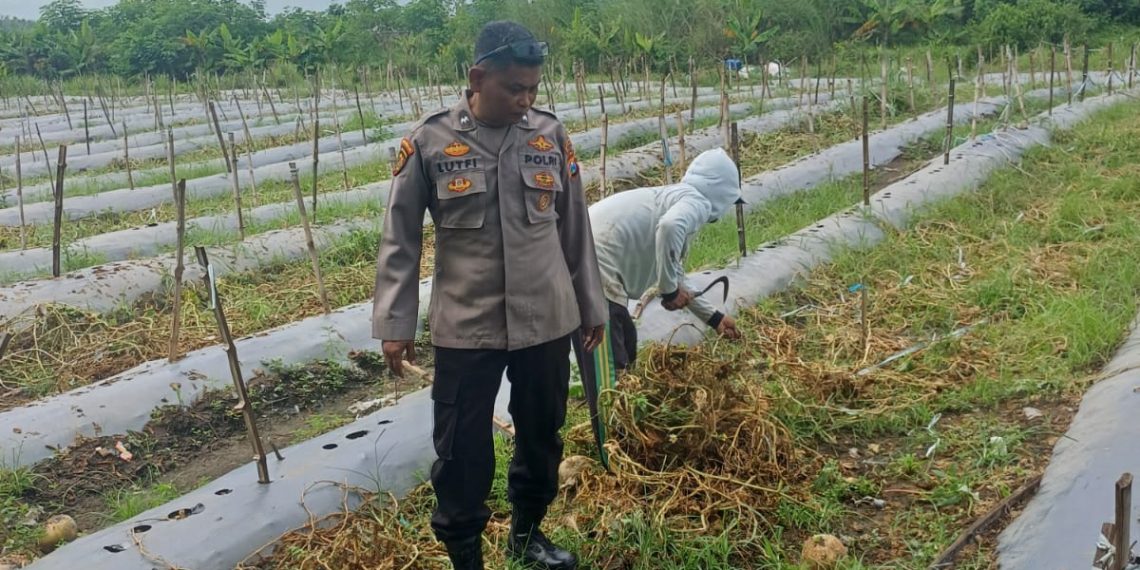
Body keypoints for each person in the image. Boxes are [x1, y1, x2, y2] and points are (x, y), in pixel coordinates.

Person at [371, 20, 606, 570]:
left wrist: (590, 306)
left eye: (533, 89)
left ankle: (527, 536)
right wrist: (395, 323)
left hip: (546, 319)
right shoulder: (429, 142)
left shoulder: (550, 136)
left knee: (541, 436)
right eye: (514, 88)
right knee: (460, 449)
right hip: (466, 325)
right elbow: (399, 238)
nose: (525, 101)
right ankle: (466, 557)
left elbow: (575, 229)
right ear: (477, 79)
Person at [589, 148, 743, 372]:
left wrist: (715, 318)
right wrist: (669, 291)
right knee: (611, 366)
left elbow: (675, 272)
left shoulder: (675, 198)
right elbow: (670, 226)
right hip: (592, 267)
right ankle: (610, 394)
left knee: (626, 342)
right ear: (722, 195)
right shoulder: (698, 202)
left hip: (594, 266)